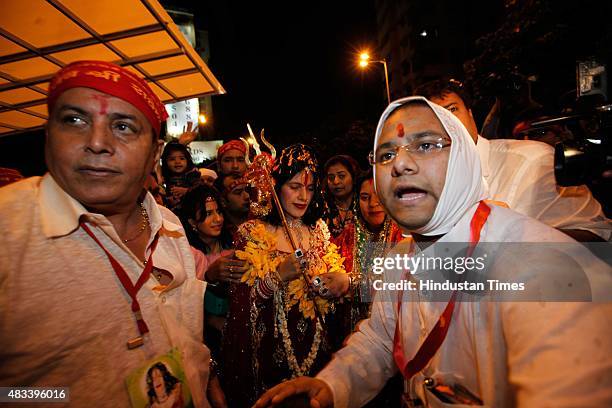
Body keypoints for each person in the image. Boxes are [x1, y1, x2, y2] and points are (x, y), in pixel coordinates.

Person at [254, 97, 612, 407]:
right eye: (386, 153)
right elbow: (380, 339)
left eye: (425, 145)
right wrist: (331, 385)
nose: (400, 164)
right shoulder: (399, 257)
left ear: (464, 160)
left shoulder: (538, 263)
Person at [0, 60, 213, 407]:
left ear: (155, 153)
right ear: (48, 134)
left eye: (124, 127)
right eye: (74, 120)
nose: (97, 142)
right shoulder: (8, 231)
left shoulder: (169, 225)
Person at [220, 144, 350, 407]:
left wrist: (338, 282)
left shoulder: (318, 230)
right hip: (270, 360)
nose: (303, 196)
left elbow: (334, 285)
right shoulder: (251, 233)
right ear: (275, 186)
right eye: (294, 186)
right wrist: (278, 276)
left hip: (318, 355)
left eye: (310, 188)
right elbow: (241, 304)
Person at [415, 78, 611, 242]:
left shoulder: (535, 160)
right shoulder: (421, 184)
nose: (447, 124)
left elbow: (598, 236)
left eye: (452, 110)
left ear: (470, 114)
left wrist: (514, 236)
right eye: (434, 118)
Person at [332, 169, 403, 338]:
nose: (373, 203)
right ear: (356, 200)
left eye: (380, 195)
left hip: (389, 335)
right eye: (365, 197)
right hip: (348, 337)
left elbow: (399, 285)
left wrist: (350, 283)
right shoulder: (346, 236)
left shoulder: (401, 235)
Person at [323, 155, 361, 237]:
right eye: (331, 177)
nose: (336, 182)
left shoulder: (364, 205)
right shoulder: (321, 207)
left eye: (341, 176)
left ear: (354, 177)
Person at [161, 142, 201, 212]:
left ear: (187, 160)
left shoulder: (192, 175)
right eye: (172, 159)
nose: (177, 162)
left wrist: (186, 191)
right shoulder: (166, 177)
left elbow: (201, 189)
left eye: (182, 158)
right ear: (166, 162)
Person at [215, 173, 251, 238]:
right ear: (222, 201)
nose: (247, 196)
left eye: (247, 190)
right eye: (238, 192)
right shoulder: (220, 234)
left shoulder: (261, 223)